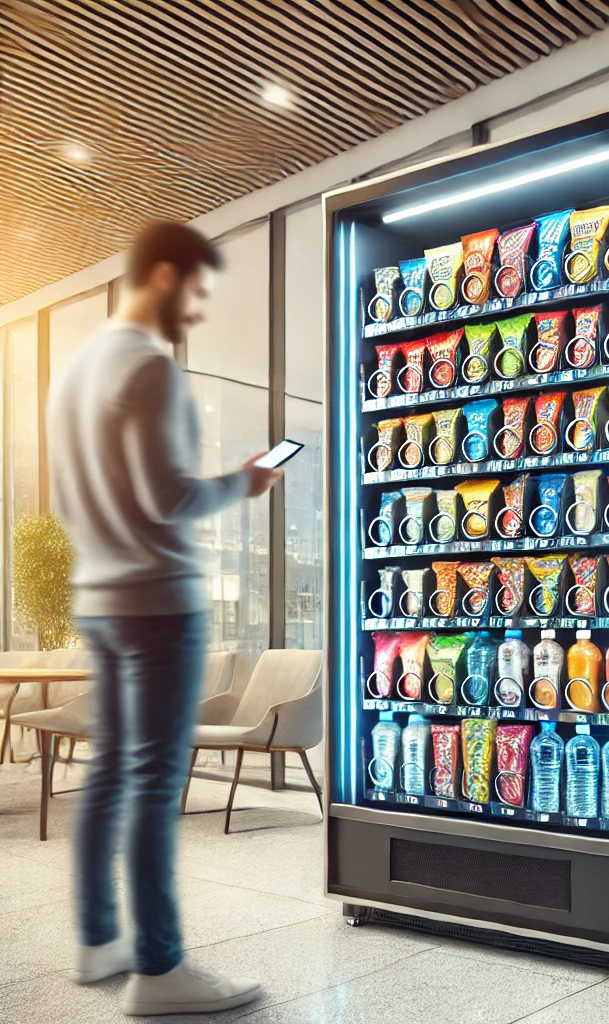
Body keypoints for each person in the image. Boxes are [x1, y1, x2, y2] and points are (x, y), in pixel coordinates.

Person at [48, 220, 281, 1017]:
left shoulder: (76, 373)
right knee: (151, 782)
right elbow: (169, 497)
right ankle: (160, 968)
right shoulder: (150, 369)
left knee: (109, 774)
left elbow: (82, 498)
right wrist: (242, 483)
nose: (195, 312)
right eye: (194, 293)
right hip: (157, 602)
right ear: (164, 278)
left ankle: (96, 940)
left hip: (103, 601)